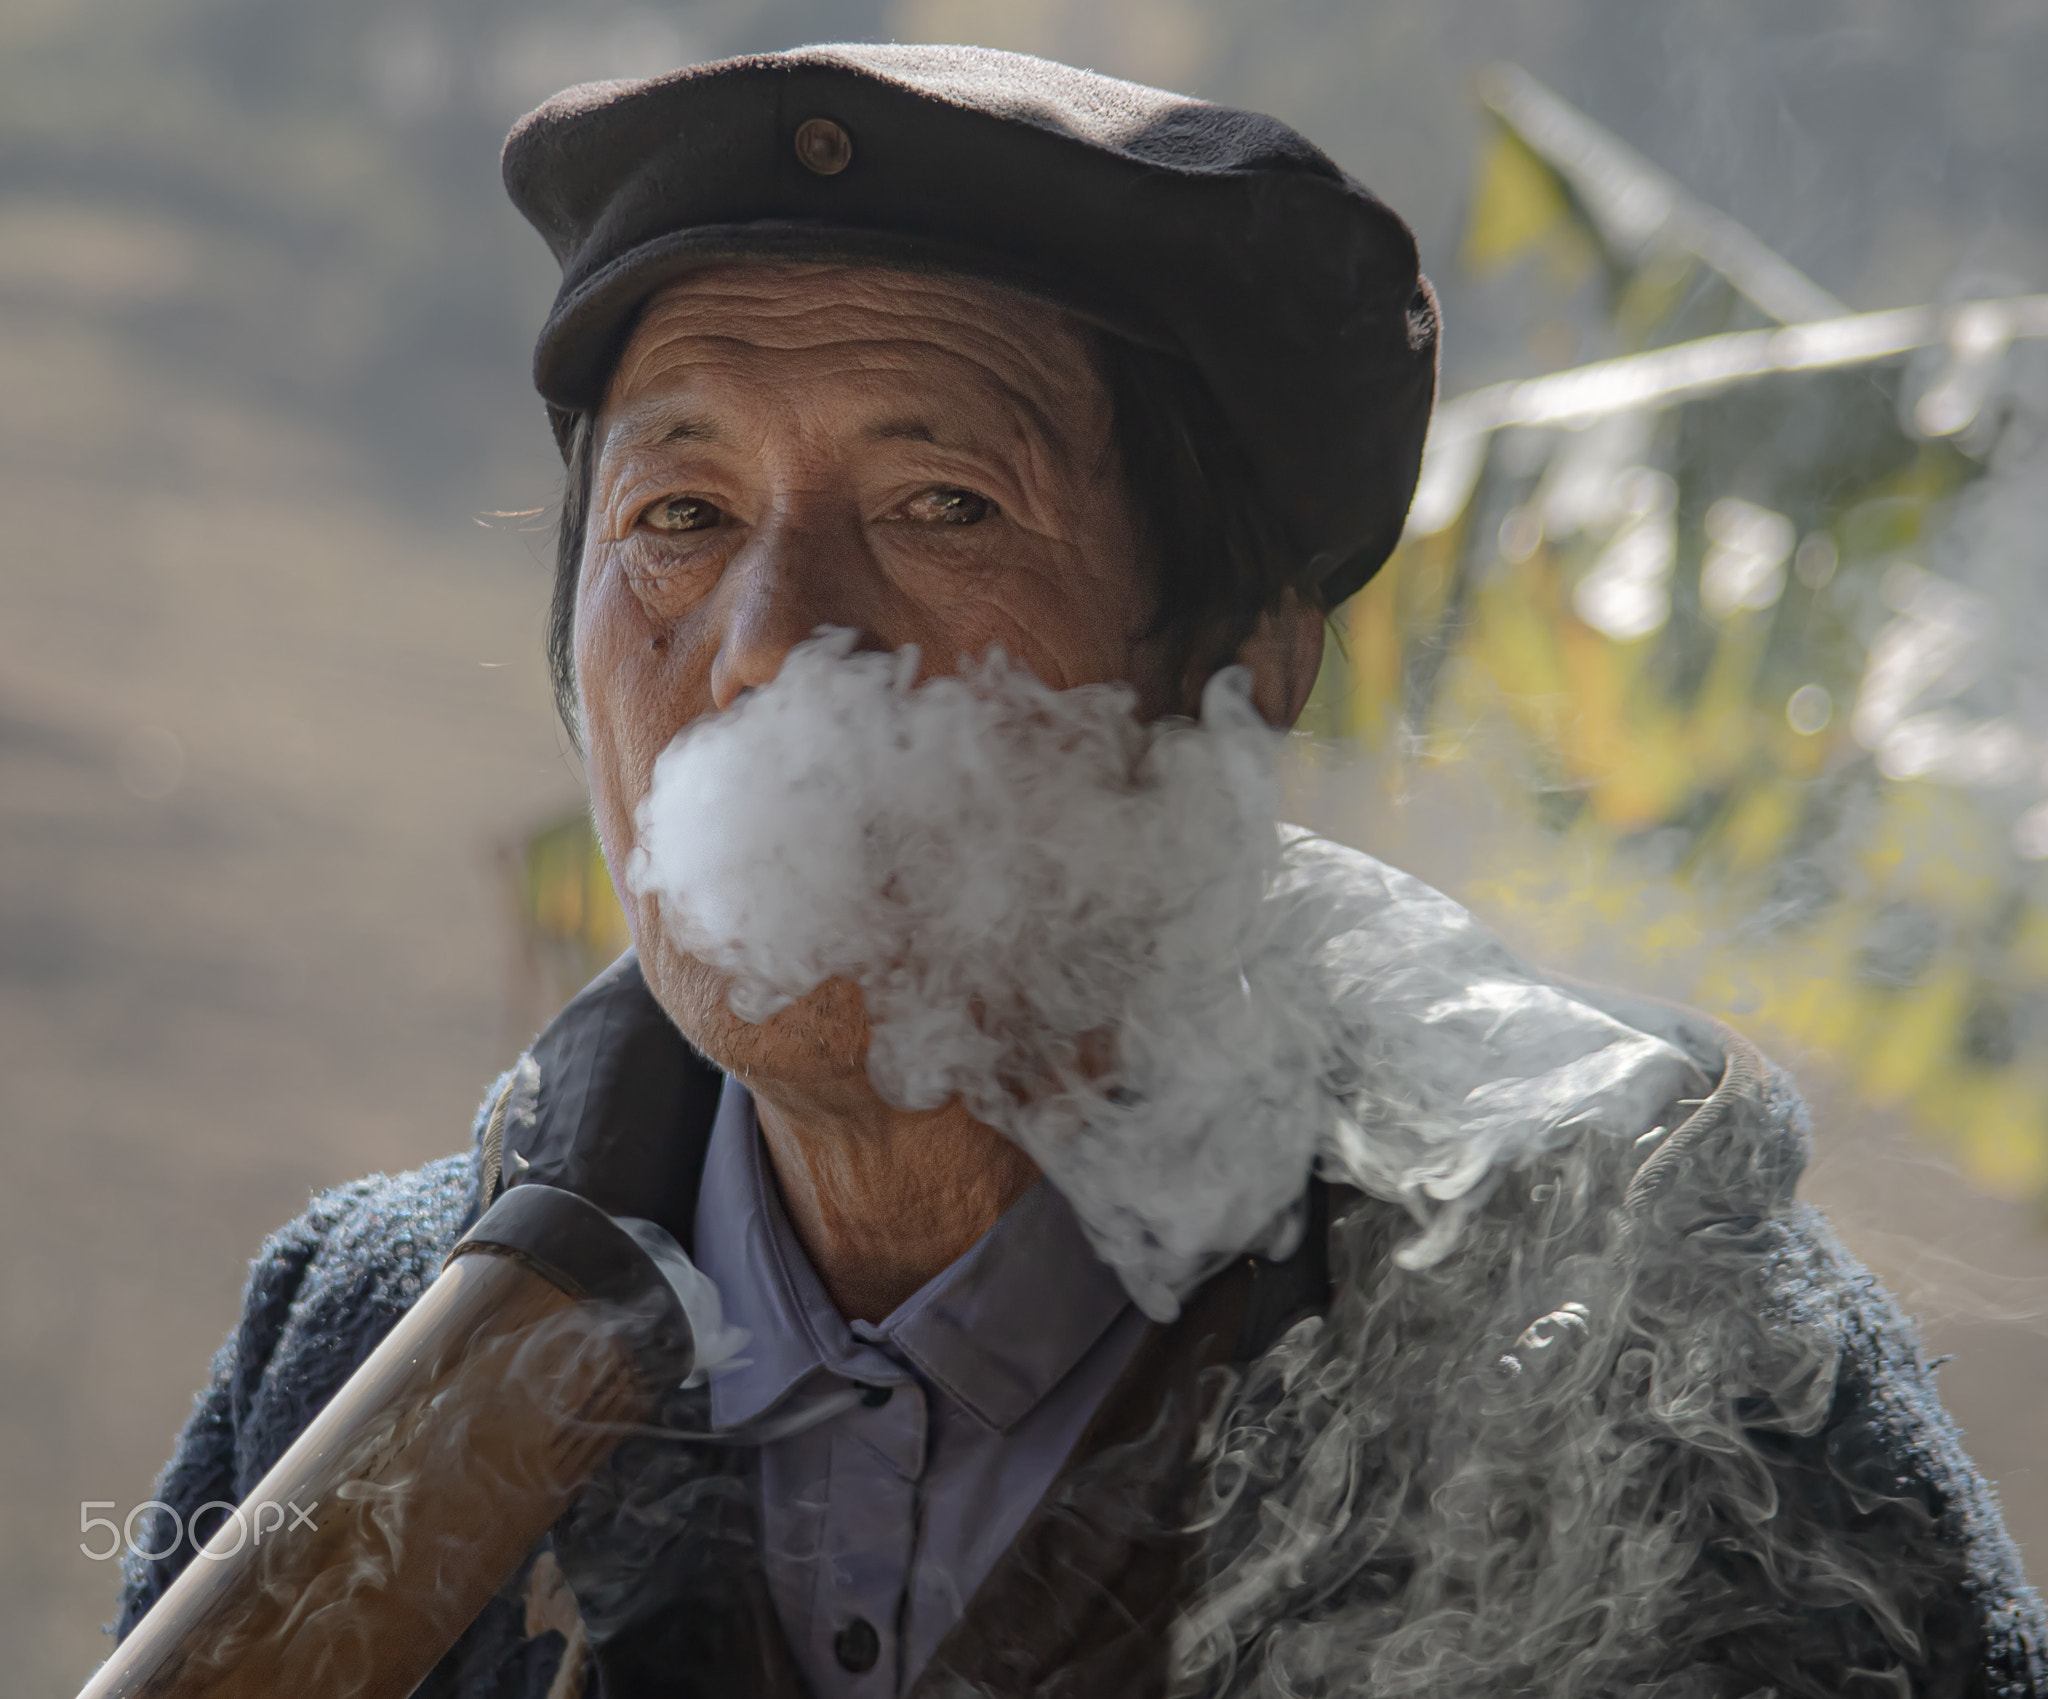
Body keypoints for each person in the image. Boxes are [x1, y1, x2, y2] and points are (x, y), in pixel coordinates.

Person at [114, 43, 2045, 1699]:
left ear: (1238, 660)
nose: (777, 638)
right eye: (682, 514)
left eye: (942, 503)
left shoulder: (1648, 1376)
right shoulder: (364, 1338)